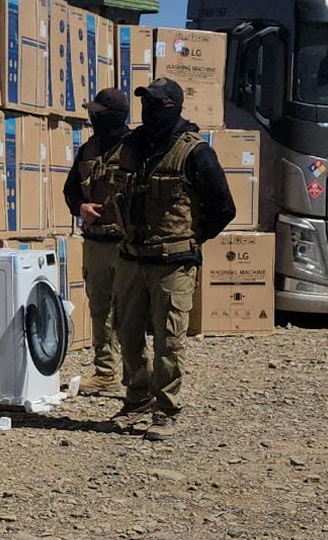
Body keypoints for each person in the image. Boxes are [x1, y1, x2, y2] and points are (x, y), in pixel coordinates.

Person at [103, 77, 235, 441]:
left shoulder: (195, 152)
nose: (146, 110)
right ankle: (138, 396)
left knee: (168, 340)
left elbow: (223, 207)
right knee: (126, 334)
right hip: (131, 257)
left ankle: (166, 409)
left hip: (173, 262)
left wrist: (192, 238)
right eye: (143, 103)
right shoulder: (131, 146)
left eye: (155, 104)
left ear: (172, 107)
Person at [63, 87, 132, 396]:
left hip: (127, 244)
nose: (92, 118)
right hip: (95, 242)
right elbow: (71, 189)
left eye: (98, 114)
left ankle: (136, 378)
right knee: (100, 309)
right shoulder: (89, 149)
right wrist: (80, 207)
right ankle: (105, 372)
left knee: (130, 312)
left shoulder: (135, 148)